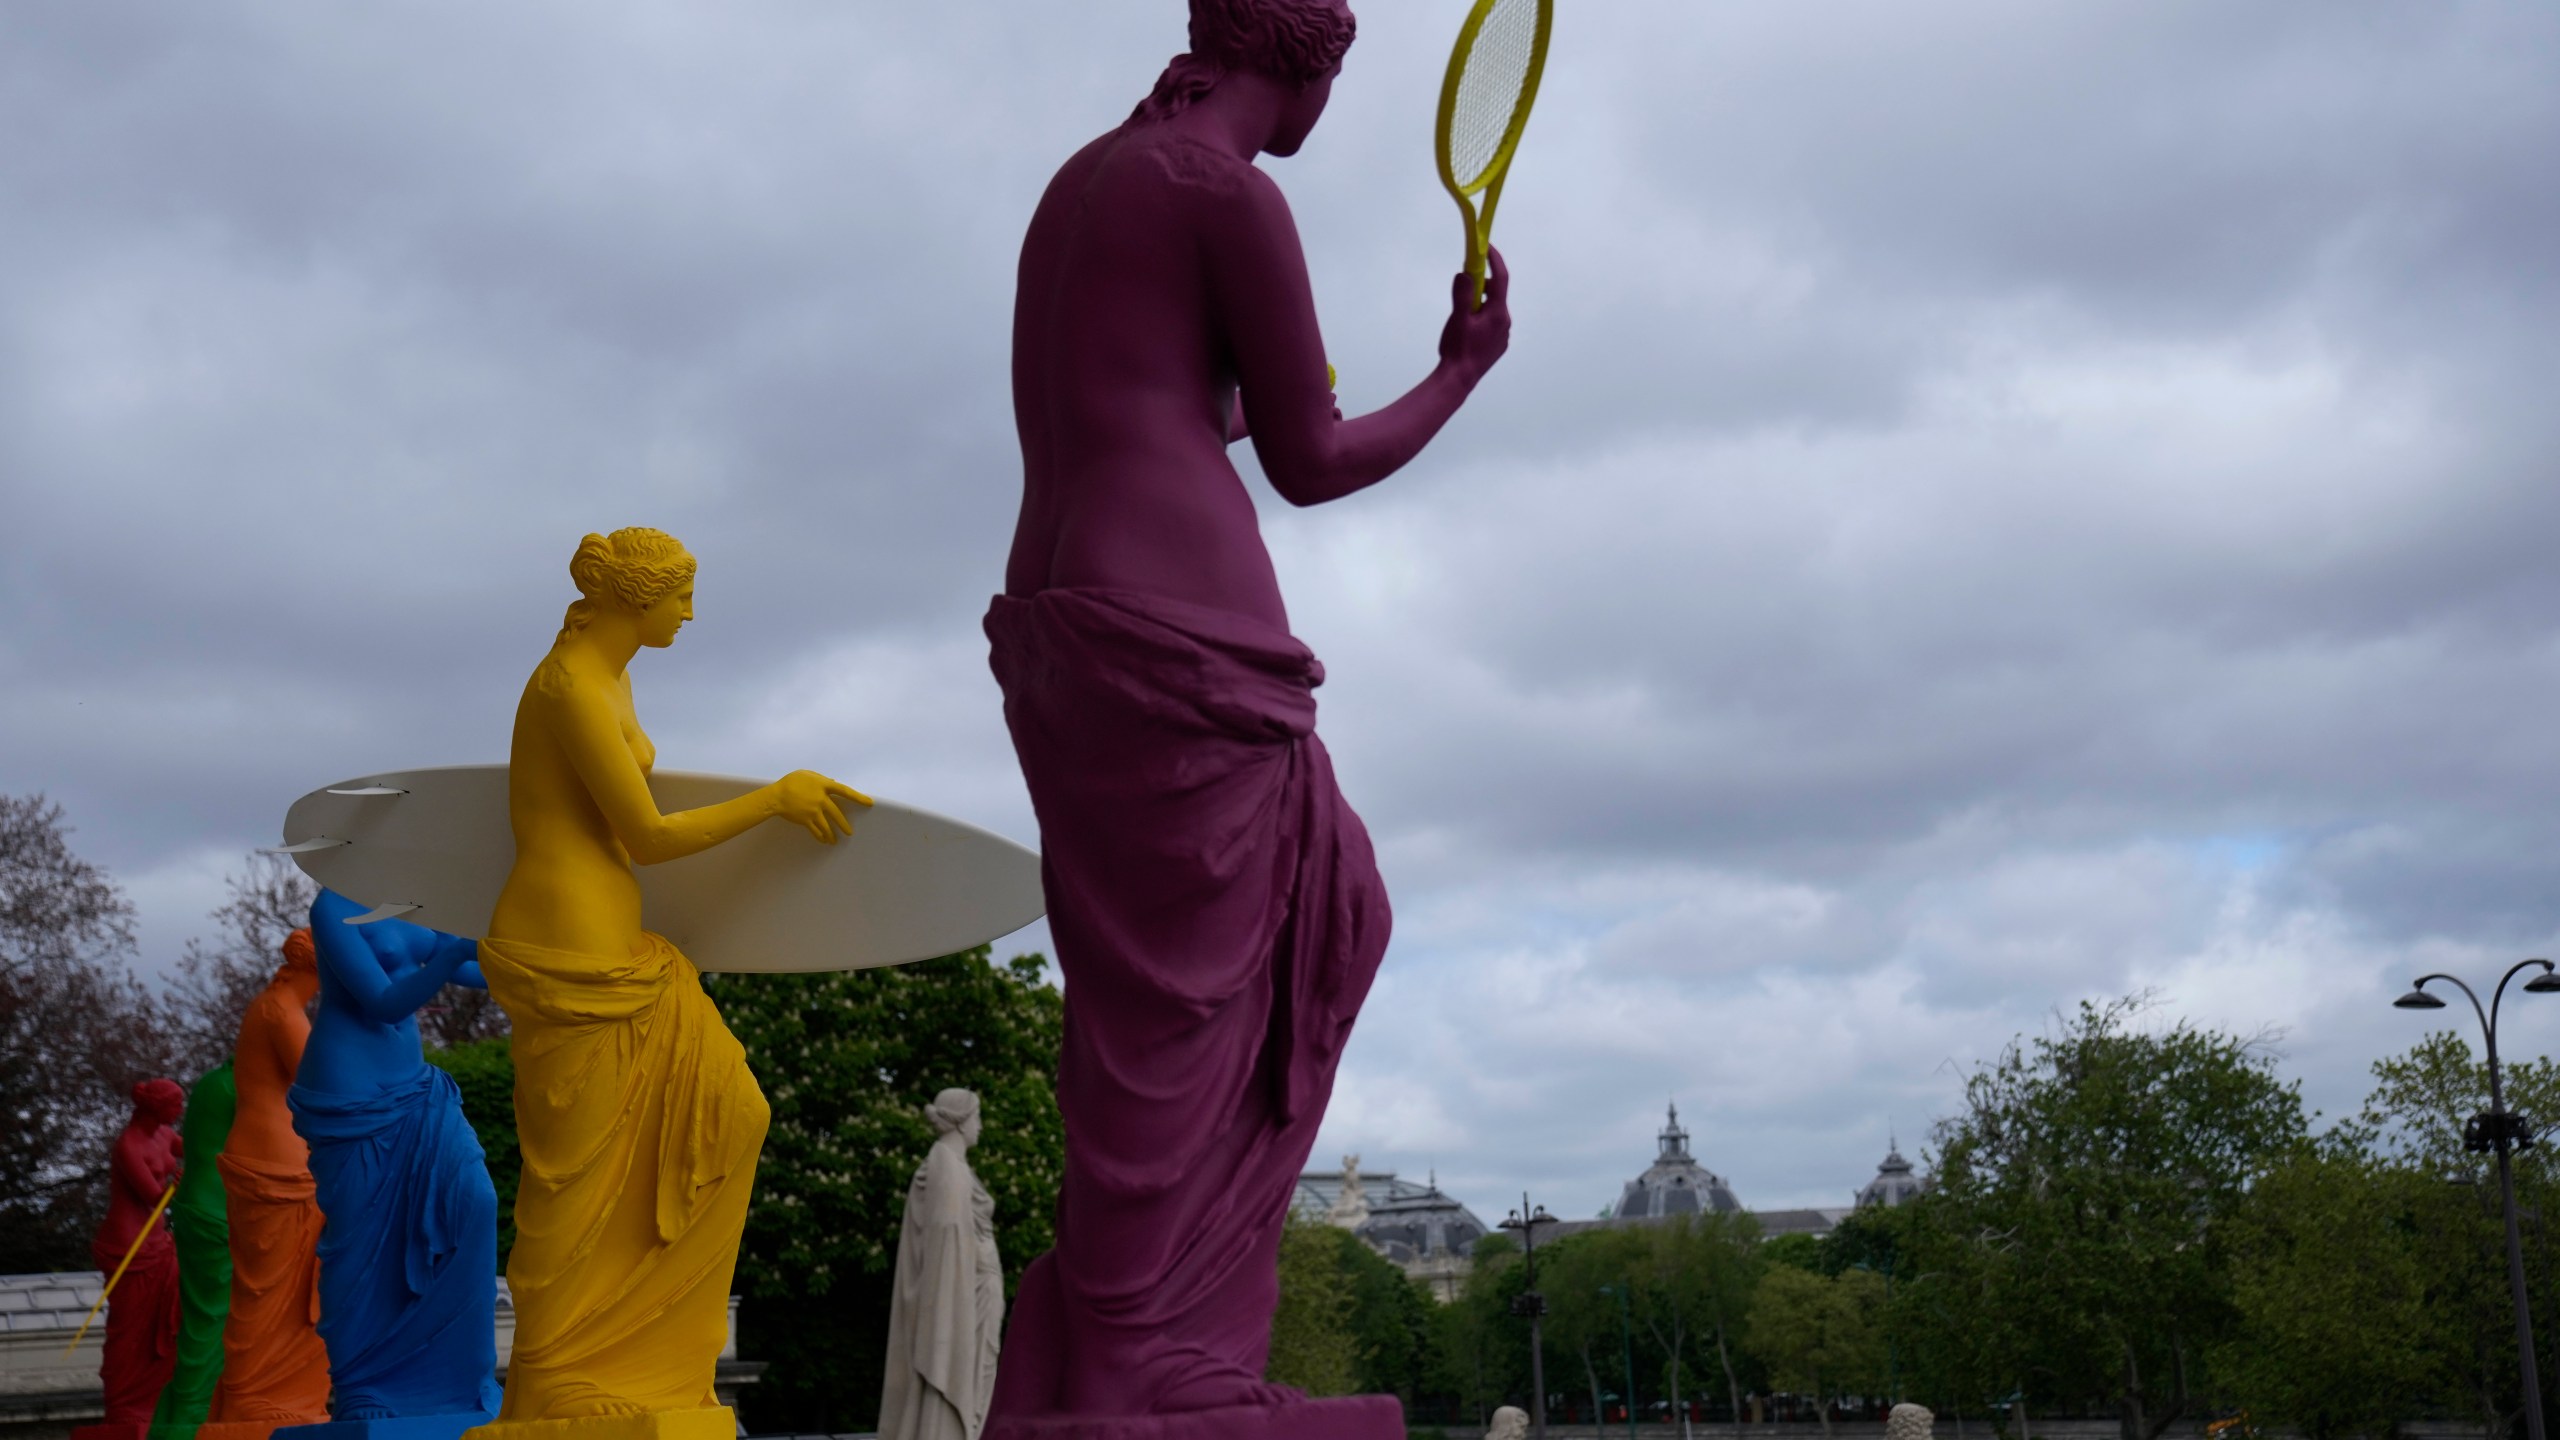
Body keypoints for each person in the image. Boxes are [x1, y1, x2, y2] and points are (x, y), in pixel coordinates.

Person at [986, 0, 1509, 1432]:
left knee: (1155, 1007)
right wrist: (1463, 367)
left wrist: (1224, 397)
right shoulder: (1229, 192)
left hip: (1063, 616)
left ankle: (1115, 1337)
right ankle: (1149, 1363)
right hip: (1183, 619)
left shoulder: (1087, 181)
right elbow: (1313, 458)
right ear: (1307, 69)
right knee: (1227, 987)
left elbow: (1147, 395)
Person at [473, 527, 867, 1426]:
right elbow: (647, 837)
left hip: (624, 949)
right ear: (632, 597)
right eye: (678, 594)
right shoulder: (569, 684)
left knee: (734, 1113)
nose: (689, 612)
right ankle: (559, 1383)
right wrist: (776, 798)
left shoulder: (611, 670)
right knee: (574, 1193)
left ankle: (644, 1365)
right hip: (569, 953)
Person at [291, 888, 502, 1425]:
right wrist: (453, 953)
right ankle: (365, 1384)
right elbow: (384, 1002)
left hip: (414, 1085)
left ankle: (461, 1379)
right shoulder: (332, 907)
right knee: (364, 1243)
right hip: (352, 1089)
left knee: (474, 1203)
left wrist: (540, 959)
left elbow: (477, 968)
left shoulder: (414, 893)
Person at [208, 931, 329, 1429]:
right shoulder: (283, 1012)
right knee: (271, 1295)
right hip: (276, 1167)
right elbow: (322, 1080)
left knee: (273, 1292)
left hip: (276, 1160)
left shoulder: (272, 1005)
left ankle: (268, 1396)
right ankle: (258, 1398)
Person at [878, 1090, 1004, 1440]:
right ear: (962, 1122)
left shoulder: (948, 1164)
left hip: (974, 1293)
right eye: (977, 1117)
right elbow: (947, 1248)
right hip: (967, 1296)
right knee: (963, 1380)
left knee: (979, 1381)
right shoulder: (948, 1169)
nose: (980, 1126)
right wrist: (953, 1314)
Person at [92, 1079, 184, 1428]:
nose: (179, 1111)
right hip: (128, 1247)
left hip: (158, 1242)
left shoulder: (163, 1134)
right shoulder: (128, 1145)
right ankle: (124, 1405)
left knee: (162, 1321)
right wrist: (177, 1179)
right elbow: (152, 1195)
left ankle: (153, 1399)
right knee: (129, 1330)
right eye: (174, 1104)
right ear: (155, 1107)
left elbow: (190, 1147)